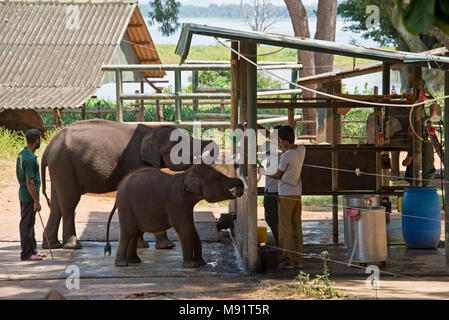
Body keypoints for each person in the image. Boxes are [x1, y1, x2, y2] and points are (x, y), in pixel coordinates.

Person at [259, 125, 306, 270]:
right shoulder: (301, 149)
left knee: (285, 228)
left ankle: (286, 260)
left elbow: (278, 175)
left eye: (280, 139)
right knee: (296, 227)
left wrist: (263, 172)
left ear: (284, 141)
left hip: (285, 194)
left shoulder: (285, 156)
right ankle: (298, 260)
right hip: (297, 193)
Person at [16, 129, 46, 261]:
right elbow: (29, 182)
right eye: (39, 138)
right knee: (26, 224)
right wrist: (36, 201)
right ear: (36, 140)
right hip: (29, 196)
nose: (40, 141)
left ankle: (33, 250)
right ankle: (26, 254)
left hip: (24, 194)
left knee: (30, 223)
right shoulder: (30, 160)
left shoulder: (22, 154)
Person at [262, 125, 283, 245]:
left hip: (273, 188)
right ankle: (283, 244)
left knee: (272, 218)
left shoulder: (278, 148)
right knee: (276, 218)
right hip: (280, 189)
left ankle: (280, 244)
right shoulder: (285, 149)